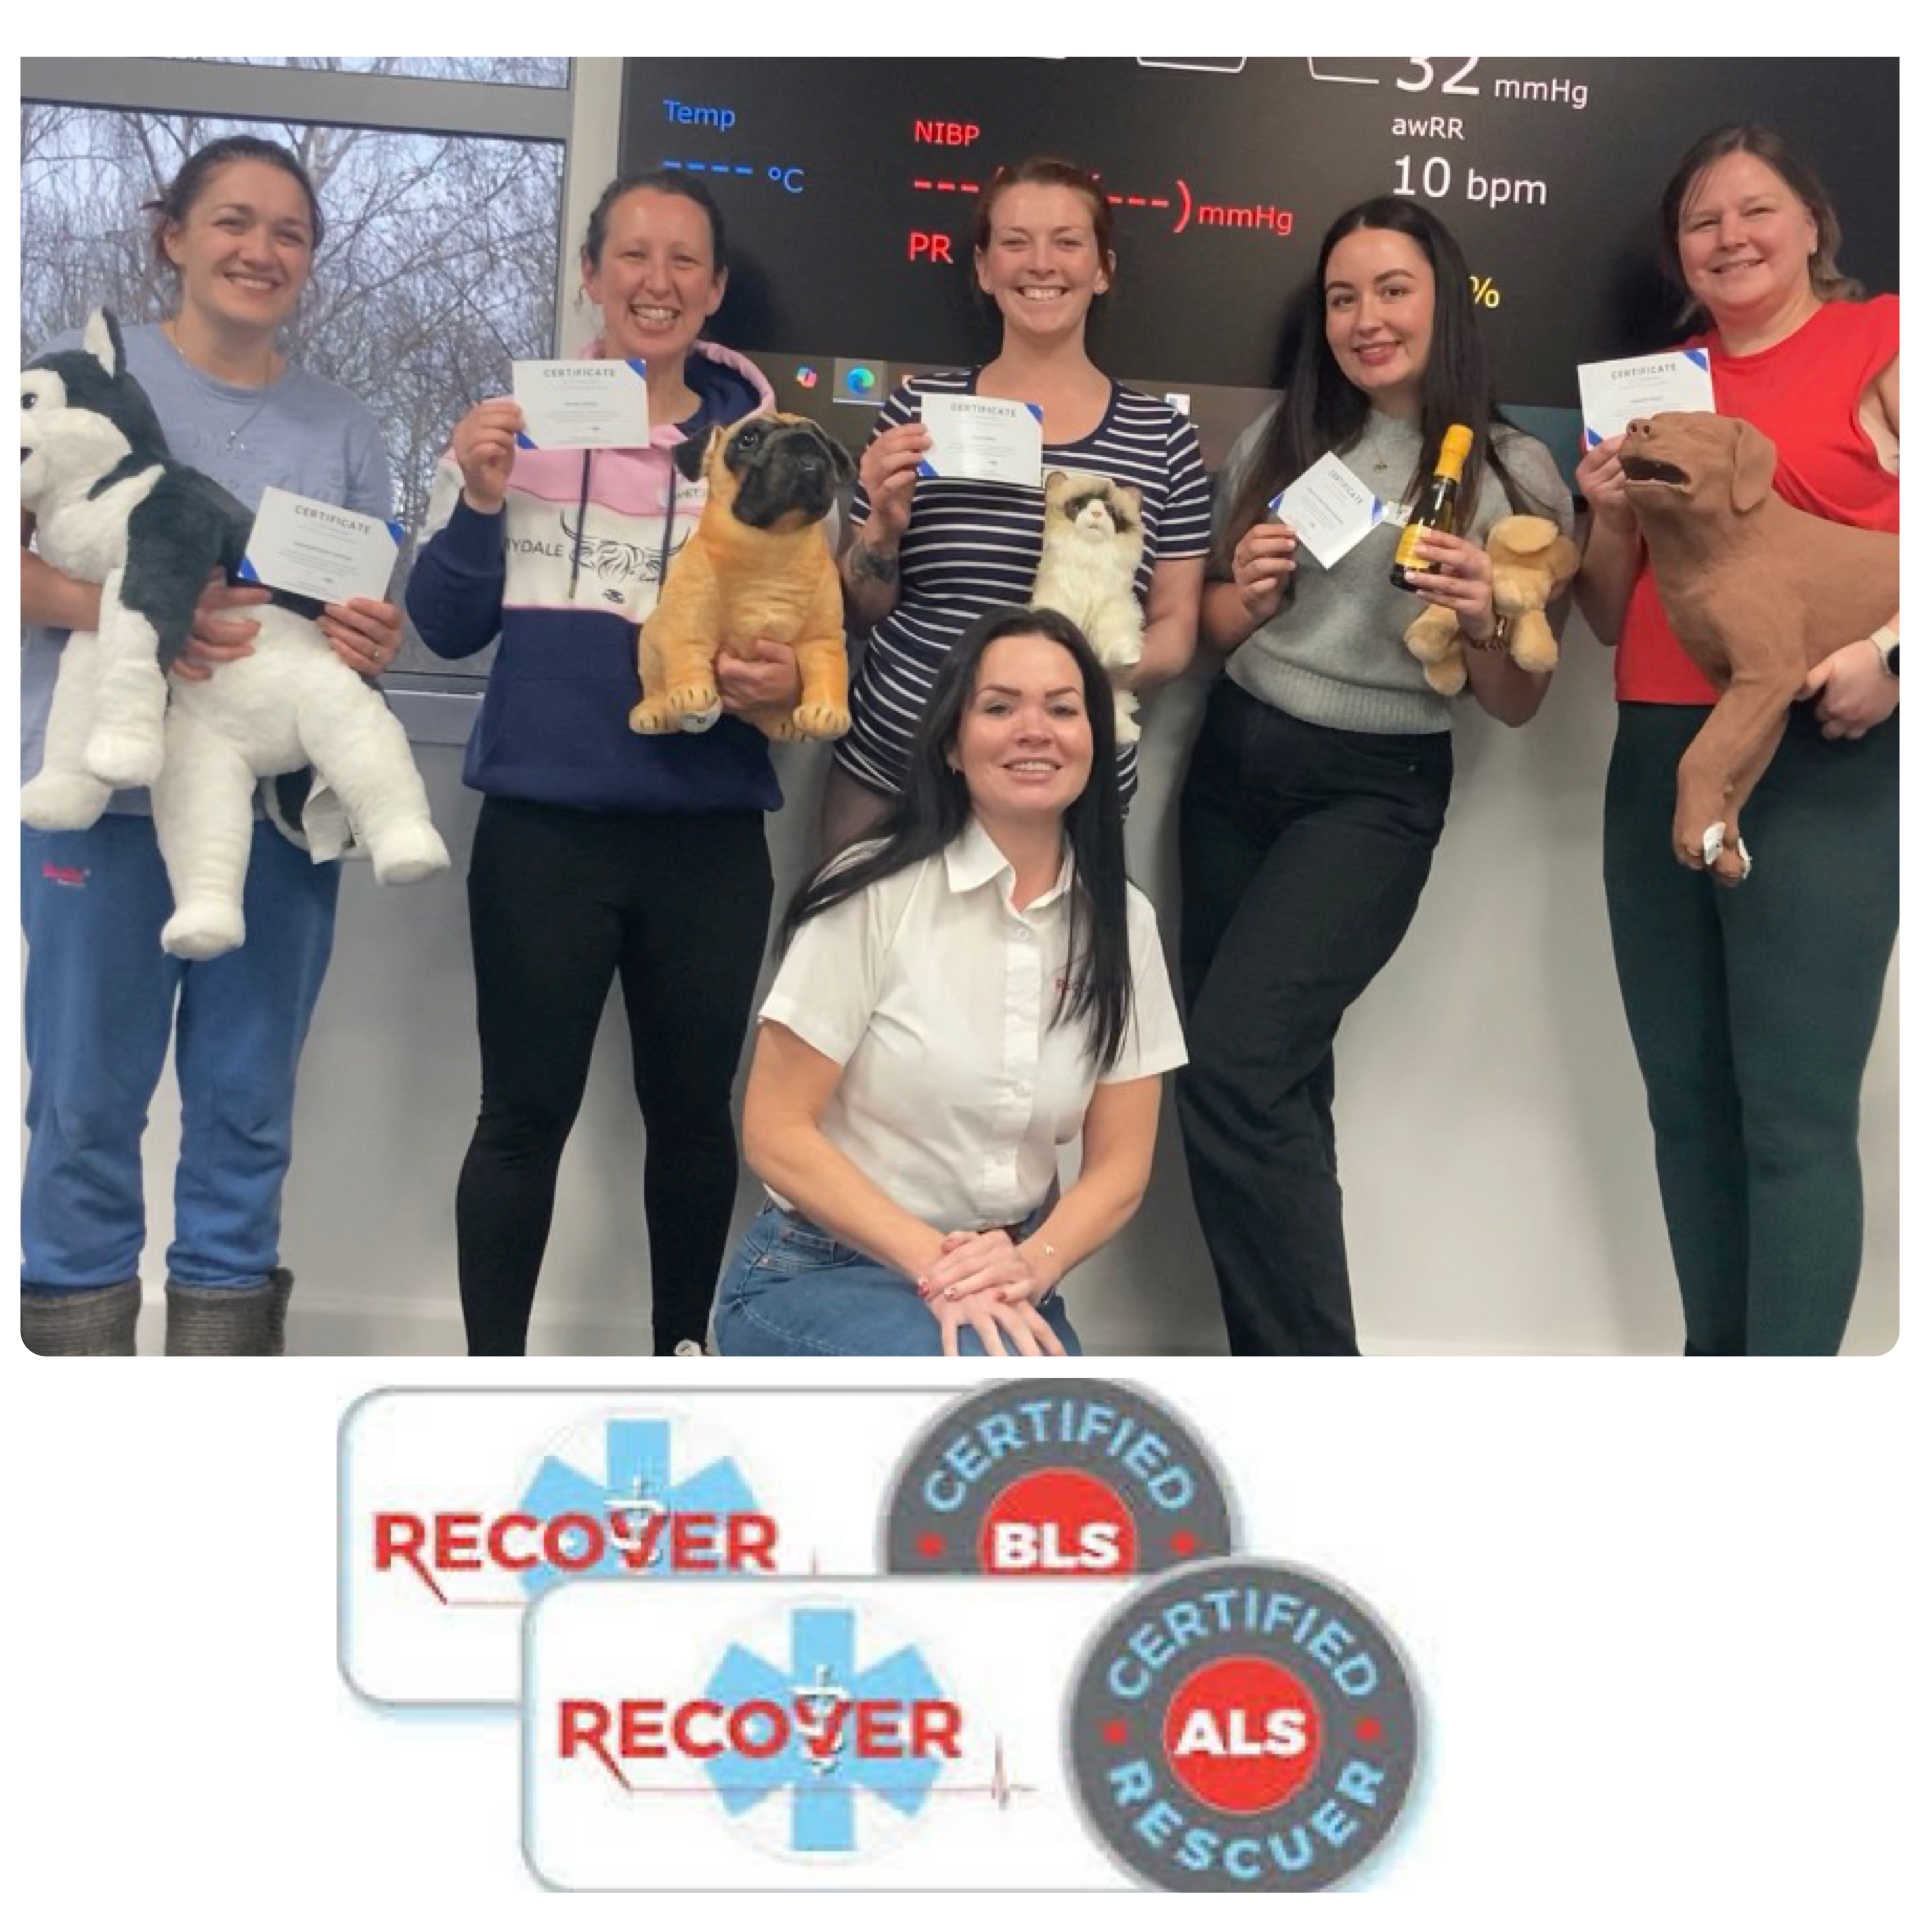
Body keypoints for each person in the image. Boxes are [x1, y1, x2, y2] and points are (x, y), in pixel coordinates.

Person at [407, 171, 800, 1358]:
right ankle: (490, 1384)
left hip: (709, 835)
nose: (657, 282)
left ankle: (687, 1357)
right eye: (632, 256)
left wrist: (779, 687)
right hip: (546, 834)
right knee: (521, 1118)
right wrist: (478, 500)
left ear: (716, 290)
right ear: (590, 275)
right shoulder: (512, 431)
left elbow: (803, 635)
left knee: (692, 1122)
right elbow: (444, 622)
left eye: (685, 262)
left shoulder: (768, 456)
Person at [20, 135, 399, 1356]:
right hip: (108, 807)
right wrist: (130, 612)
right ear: (173, 236)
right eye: (234, 222)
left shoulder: (344, 424)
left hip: (276, 816)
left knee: (245, 1111)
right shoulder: (77, 380)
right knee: (85, 1105)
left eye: (290, 233)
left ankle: (216, 1412)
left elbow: (354, 606)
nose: (261, 250)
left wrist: (367, 634)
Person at [1180, 197, 1573, 1357]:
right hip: (1235, 762)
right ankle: (1282, 1378)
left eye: (1392, 290)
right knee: (1277, 1089)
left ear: (1443, 301)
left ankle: (1317, 1386)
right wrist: (1241, 594)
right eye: (1343, 297)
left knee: (1232, 1071)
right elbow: (1210, 627)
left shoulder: (1515, 473)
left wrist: (1485, 622)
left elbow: (1517, 702)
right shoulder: (1284, 443)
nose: (1367, 318)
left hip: (1373, 789)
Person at [1574, 126, 1898, 1356]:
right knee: (1687, 1108)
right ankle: (1717, 1400)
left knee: (1797, 1112)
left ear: (1813, 225)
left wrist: (1898, 664)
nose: (1731, 239)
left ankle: (1794, 1428)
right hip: (1657, 748)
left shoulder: (1885, 338)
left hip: (1826, 754)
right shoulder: (1650, 390)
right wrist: (1604, 516)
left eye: (1756, 211)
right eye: (1702, 223)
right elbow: (1612, 611)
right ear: (1679, 255)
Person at [713, 606, 1186, 1358]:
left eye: (1063, 709)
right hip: (824, 1270)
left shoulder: (1123, 923)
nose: (1035, 729)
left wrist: (1029, 1264)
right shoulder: (871, 892)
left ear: (1095, 741)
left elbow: (1121, 1168)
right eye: (999, 707)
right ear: (953, 748)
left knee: (1075, 1438)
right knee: (989, 1413)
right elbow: (776, 1134)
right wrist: (940, 1268)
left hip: (1007, 1277)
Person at [825, 155, 1210, 852]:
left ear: (1102, 268)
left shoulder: (1164, 438)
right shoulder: (918, 412)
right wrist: (881, 530)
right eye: (1014, 241)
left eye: (1067, 241)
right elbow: (857, 611)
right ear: (982, 268)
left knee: (1050, 967)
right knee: (860, 961)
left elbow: (1177, 626)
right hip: (895, 769)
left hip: (1061, 782)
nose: (1041, 263)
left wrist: (1060, 694)